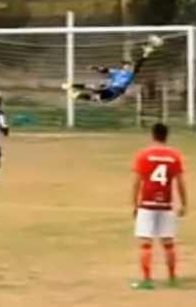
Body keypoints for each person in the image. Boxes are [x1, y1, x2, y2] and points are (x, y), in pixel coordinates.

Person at [131, 123, 189, 290]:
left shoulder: (143, 155)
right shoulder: (174, 156)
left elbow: (137, 182)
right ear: (166, 135)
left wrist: (135, 204)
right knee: (169, 242)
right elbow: (180, 182)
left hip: (147, 203)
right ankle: (172, 277)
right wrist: (184, 203)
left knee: (146, 243)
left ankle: (147, 280)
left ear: (152, 135)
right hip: (166, 203)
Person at [65, 39, 158, 102]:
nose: (125, 65)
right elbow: (105, 70)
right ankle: (71, 87)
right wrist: (94, 67)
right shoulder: (117, 71)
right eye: (124, 64)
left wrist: (145, 54)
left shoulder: (131, 74)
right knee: (94, 86)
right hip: (108, 88)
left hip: (115, 92)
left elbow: (139, 64)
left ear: (129, 66)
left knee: (95, 96)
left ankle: (77, 95)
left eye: (126, 64)